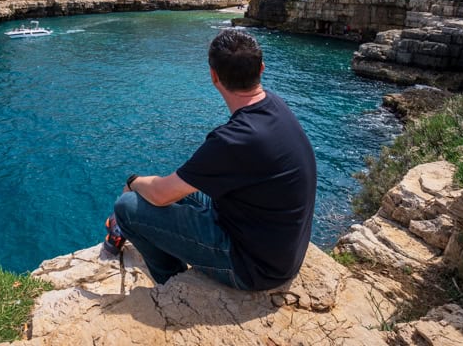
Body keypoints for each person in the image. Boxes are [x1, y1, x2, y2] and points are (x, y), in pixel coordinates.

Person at [113, 29, 316, 290]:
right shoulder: (276, 106)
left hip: (254, 268)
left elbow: (161, 195)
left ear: (213, 76)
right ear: (261, 69)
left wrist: (133, 181)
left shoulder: (234, 139)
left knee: (127, 207)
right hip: (276, 248)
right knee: (174, 190)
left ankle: (173, 285)